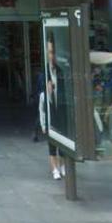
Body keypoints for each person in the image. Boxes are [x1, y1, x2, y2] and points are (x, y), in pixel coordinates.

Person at [45, 34, 66, 180]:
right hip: (50, 112)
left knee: (64, 141)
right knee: (52, 144)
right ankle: (54, 169)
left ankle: (63, 165)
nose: (51, 55)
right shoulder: (44, 72)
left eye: (53, 52)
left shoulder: (61, 71)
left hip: (61, 111)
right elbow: (40, 99)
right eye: (49, 52)